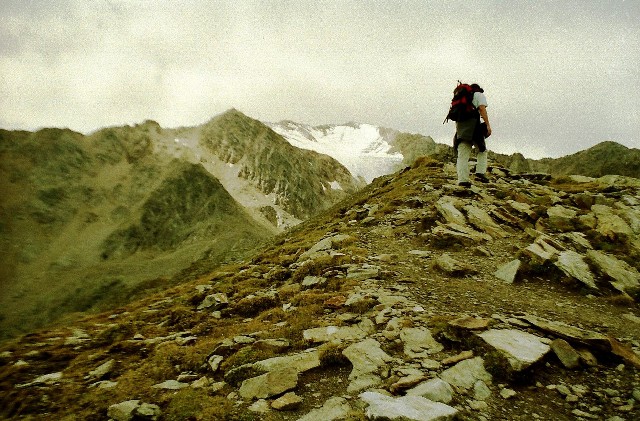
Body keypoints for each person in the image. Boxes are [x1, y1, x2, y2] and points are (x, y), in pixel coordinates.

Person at [453, 83, 492, 187]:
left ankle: (462, 180)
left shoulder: (461, 98)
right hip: (474, 126)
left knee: (462, 155)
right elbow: (482, 109)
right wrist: (488, 125)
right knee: (482, 150)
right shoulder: (479, 95)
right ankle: (480, 172)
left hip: (461, 127)